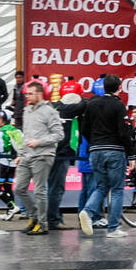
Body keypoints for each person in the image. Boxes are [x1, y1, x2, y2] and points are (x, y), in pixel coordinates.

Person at [77, 73, 132, 238]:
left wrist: (94, 142)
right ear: (119, 88)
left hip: (95, 151)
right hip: (114, 150)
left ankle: (87, 211)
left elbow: (84, 129)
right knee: (117, 189)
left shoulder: (92, 104)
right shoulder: (119, 105)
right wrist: (131, 155)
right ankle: (113, 228)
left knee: (101, 186)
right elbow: (124, 132)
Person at [13, 81, 63, 236]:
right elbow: (25, 134)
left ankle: (42, 224)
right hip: (27, 155)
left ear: (39, 94)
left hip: (43, 155)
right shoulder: (27, 110)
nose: (26, 96)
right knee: (19, 188)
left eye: (30, 93)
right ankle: (34, 216)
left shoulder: (50, 111)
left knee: (39, 190)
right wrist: (20, 154)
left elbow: (59, 135)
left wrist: (39, 142)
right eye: (26, 93)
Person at [46, 83, 82, 230]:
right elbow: (84, 104)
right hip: (60, 156)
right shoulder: (69, 112)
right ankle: (53, 220)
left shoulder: (53, 110)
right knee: (57, 189)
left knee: (50, 188)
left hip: (49, 153)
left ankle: (53, 217)